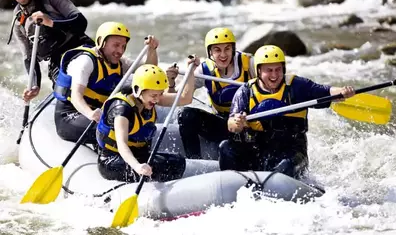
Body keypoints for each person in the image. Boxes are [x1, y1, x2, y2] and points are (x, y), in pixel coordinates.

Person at [219, 45, 355, 179]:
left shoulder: (297, 86)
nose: (274, 75)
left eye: (278, 69)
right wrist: (237, 123)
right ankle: (232, 183)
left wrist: (342, 91)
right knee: (226, 147)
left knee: (285, 166)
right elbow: (231, 124)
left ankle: (276, 184)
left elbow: (327, 92)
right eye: (269, 70)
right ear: (258, 71)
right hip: (257, 149)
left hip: (292, 151)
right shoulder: (245, 91)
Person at [53, 21, 159, 146]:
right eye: (116, 45)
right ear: (101, 42)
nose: (120, 51)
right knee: (117, 129)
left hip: (97, 114)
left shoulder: (120, 63)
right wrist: (90, 114)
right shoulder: (85, 61)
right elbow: (76, 97)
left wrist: (152, 50)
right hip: (70, 116)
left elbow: (148, 70)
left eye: (123, 46)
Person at [96, 57, 200, 183]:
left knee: (177, 161)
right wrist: (137, 166)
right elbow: (122, 145)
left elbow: (185, 99)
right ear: (138, 90)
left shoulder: (149, 98)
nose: (157, 99)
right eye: (154, 95)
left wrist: (191, 71)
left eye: (160, 94)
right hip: (113, 160)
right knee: (159, 167)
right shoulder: (121, 110)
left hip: (139, 155)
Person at [2, 0, 95, 102]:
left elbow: (81, 22)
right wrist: (35, 85)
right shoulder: (18, 22)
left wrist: (50, 22)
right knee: (63, 93)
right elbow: (29, 58)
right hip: (59, 63)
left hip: (81, 47)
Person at [171, 27, 255, 159]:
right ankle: (194, 160)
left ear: (233, 49)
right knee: (186, 115)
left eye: (227, 49)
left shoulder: (249, 63)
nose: (223, 55)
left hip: (249, 124)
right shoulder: (204, 71)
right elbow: (179, 98)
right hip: (223, 124)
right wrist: (171, 81)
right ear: (210, 52)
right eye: (217, 50)